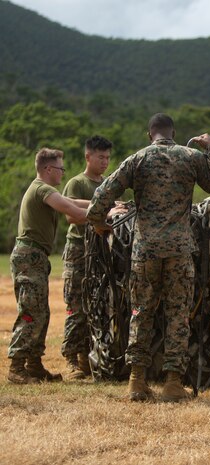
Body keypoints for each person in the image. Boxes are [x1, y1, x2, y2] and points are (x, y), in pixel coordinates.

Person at [86, 113, 210, 402]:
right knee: (177, 315)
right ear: (173, 133)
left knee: (141, 311)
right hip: (178, 251)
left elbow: (102, 195)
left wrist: (98, 222)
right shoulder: (190, 157)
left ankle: (137, 381)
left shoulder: (137, 159)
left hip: (145, 251)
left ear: (150, 135)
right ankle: (173, 383)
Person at [7, 148, 89, 384]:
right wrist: (106, 212)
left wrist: (106, 201)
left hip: (35, 256)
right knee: (31, 312)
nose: (63, 172)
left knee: (41, 311)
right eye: (61, 168)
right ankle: (16, 367)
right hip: (29, 256)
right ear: (48, 169)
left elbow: (71, 201)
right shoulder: (41, 188)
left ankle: (33, 365)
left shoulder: (44, 190)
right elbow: (71, 210)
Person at [61, 135, 114, 380]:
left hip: (101, 252)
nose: (104, 162)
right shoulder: (77, 183)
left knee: (98, 306)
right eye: (100, 157)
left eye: (107, 157)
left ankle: (89, 358)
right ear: (88, 157)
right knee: (76, 307)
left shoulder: (108, 184)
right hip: (79, 251)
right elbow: (71, 216)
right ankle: (72, 360)